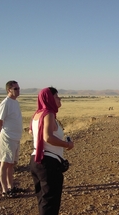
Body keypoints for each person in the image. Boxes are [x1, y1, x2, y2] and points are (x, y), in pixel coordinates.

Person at [30, 87, 74, 215]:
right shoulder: (48, 114)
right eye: (56, 97)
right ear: (49, 99)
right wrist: (67, 144)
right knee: (50, 203)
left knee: (43, 200)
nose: (59, 99)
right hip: (48, 163)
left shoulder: (37, 114)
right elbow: (47, 137)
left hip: (36, 160)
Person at [0, 80, 23, 198]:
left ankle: (11, 187)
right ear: (9, 90)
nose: (18, 90)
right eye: (15, 88)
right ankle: (5, 190)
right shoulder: (5, 103)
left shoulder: (15, 102)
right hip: (7, 137)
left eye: (18, 88)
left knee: (11, 164)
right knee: (5, 163)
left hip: (15, 138)